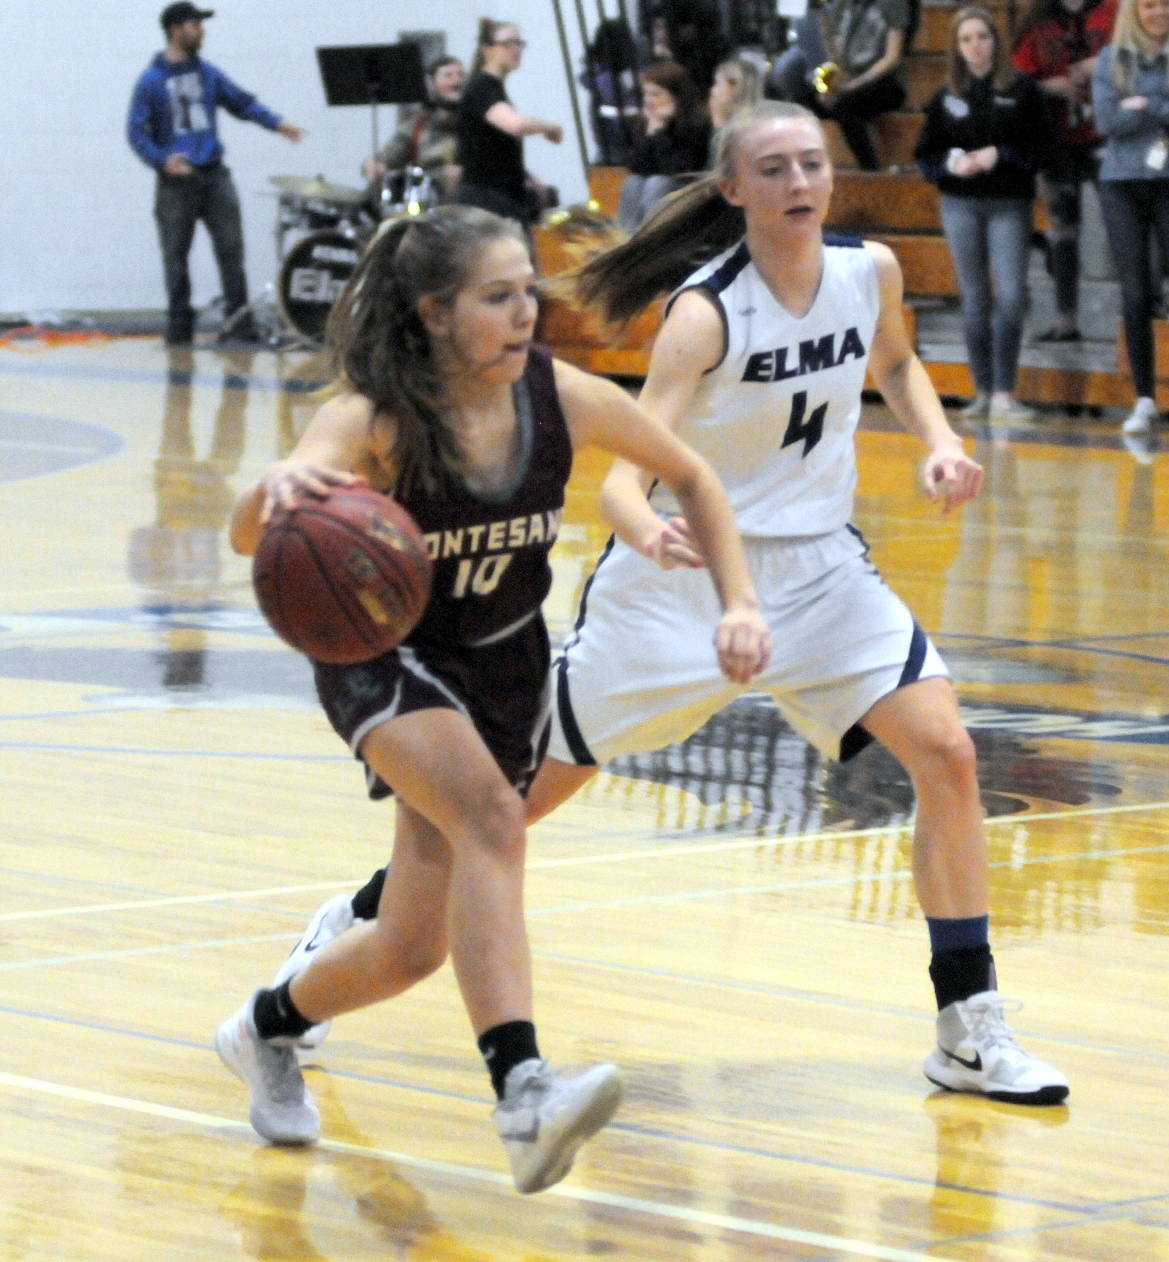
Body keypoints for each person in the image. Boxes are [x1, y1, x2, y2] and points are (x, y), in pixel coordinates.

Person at [276, 102, 1071, 1109]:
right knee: (501, 812)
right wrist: (648, 531)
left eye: (813, 163)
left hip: (820, 567)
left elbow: (898, 364)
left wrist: (936, 440)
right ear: (732, 188)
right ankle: (357, 924)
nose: (800, 181)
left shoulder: (867, 271)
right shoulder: (706, 311)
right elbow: (627, 475)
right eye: (774, 166)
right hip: (674, 587)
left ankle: (966, 1026)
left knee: (947, 754)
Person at [213, 205, 772, 1193]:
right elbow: (249, 535)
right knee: (492, 817)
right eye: (498, 296)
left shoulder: (557, 396)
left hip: (504, 664)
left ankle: (265, 1026)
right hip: (384, 656)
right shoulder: (372, 419)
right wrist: (280, 484)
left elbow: (689, 472)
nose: (527, 312)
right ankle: (521, 1093)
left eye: (529, 290)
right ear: (432, 313)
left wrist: (735, 600)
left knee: (407, 949)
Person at [126, 3, 304, 346]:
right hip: (176, 182)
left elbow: (242, 103)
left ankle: (238, 321)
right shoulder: (150, 81)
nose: (202, 30)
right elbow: (136, 132)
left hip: (214, 176)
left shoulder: (208, 73)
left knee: (231, 249)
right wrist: (162, 160)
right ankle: (179, 327)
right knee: (175, 255)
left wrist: (277, 124)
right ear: (175, 30)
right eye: (195, 24)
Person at [915, 7, 1049, 421]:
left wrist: (1001, 155)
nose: (976, 45)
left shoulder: (1023, 89)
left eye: (983, 36)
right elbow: (925, 155)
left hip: (1009, 202)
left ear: (996, 41)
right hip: (960, 203)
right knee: (973, 297)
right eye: (967, 39)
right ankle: (982, 390)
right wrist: (951, 162)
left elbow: (1041, 148)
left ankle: (1005, 392)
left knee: (1010, 295)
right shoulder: (945, 95)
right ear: (957, 47)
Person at [1093, 0, 1169, 435]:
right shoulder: (1112, 58)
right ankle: (1145, 398)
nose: (1158, 13)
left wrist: (1147, 104)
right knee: (1136, 294)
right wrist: (1165, 110)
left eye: (1164, 5)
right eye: (1148, 5)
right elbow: (1107, 119)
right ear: (1134, 11)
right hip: (1121, 185)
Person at [1013, 0, 1119, 341]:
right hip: (1056, 140)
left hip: (1108, 133)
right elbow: (1015, 82)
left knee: (1122, 222)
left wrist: (1100, 63)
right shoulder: (1037, 22)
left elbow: (1142, 53)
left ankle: (1144, 310)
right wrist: (1048, 87)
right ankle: (1066, 319)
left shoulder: (1113, 10)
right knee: (1063, 231)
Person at [455, 19, 563, 231]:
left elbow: (493, 148)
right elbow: (514, 124)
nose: (516, 49)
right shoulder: (482, 88)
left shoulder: (492, 88)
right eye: (508, 43)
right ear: (487, 49)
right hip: (486, 201)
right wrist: (551, 127)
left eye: (518, 43)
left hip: (501, 198)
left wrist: (528, 177)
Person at [812, 0, 912, 171]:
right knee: (805, 102)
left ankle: (870, 169)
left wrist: (854, 84)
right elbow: (837, 52)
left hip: (885, 81)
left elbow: (892, 58)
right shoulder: (843, 5)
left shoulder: (894, 3)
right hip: (851, 76)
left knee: (844, 107)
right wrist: (830, 85)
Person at [618, 61, 712, 231]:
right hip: (656, 189)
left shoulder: (696, 123)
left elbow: (679, 169)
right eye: (646, 94)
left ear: (675, 96)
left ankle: (653, 239)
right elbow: (636, 167)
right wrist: (650, 133)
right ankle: (628, 239)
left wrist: (661, 133)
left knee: (657, 182)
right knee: (632, 182)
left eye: (655, 95)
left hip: (688, 186)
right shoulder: (647, 123)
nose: (648, 100)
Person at [362, 56, 466, 203]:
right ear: (432, 84)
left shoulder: (478, 123)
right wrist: (373, 166)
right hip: (427, 204)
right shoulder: (416, 126)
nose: (456, 82)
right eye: (448, 76)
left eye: (460, 75)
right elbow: (387, 158)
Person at [581, 18, 643, 165]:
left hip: (608, 147)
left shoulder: (598, 72)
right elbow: (620, 106)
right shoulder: (605, 77)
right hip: (617, 149)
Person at [708, 55, 766, 135]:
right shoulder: (762, 120)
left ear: (736, 87)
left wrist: (718, 120)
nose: (713, 91)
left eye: (717, 83)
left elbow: (721, 146)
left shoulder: (742, 130)